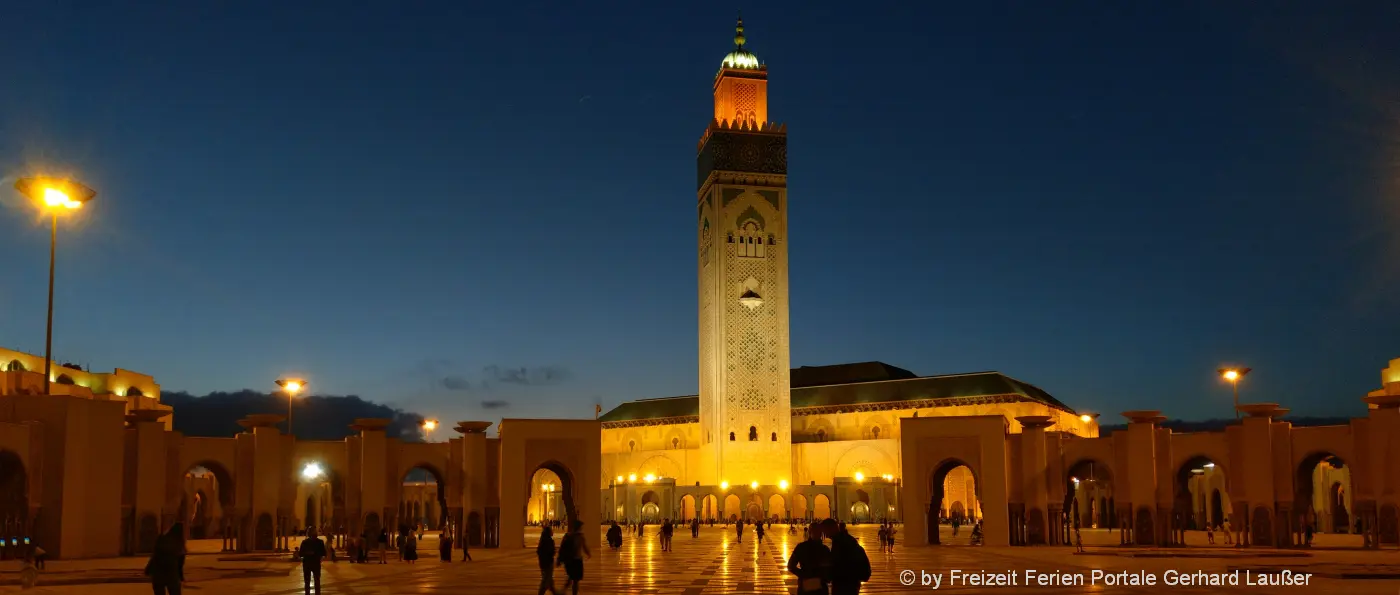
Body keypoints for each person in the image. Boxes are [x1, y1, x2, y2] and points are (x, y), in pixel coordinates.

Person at [826, 519, 870, 595]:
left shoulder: (841, 542)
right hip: (848, 583)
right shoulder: (842, 540)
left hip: (845, 584)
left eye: (826, 531)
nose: (825, 535)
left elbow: (840, 563)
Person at [788, 522, 830, 595]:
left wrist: (804, 575)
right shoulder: (824, 549)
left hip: (810, 586)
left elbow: (791, 566)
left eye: (818, 532)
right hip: (818, 586)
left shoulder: (801, 547)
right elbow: (790, 566)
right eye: (815, 531)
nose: (817, 534)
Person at [145, 522, 186, 595]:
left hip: (158, 573)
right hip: (171, 573)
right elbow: (180, 562)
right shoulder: (179, 543)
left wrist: (148, 569)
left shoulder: (161, 538)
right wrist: (181, 576)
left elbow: (155, 555)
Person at [556, 520, 591, 595]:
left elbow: (562, 548)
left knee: (571, 576)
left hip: (569, 560)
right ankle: (572, 592)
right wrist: (588, 554)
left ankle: (564, 590)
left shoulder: (567, 535)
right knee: (575, 580)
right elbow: (584, 547)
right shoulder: (580, 537)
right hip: (577, 560)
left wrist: (560, 559)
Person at [298, 526, 329, 595]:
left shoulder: (305, 542)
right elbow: (324, 553)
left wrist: (308, 553)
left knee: (307, 582)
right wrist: (318, 557)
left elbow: (300, 554)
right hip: (315, 563)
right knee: (316, 581)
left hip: (307, 564)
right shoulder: (320, 542)